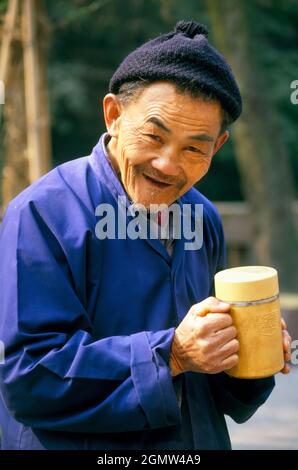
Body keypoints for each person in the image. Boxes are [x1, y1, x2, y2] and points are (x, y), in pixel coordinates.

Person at [0, 20, 291, 450]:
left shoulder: (202, 218)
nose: (169, 165)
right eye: (154, 136)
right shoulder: (42, 214)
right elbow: (29, 376)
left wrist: (247, 350)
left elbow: (212, 391)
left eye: (195, 148)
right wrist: (170, 354)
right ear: (114, 115)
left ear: (218, 147)